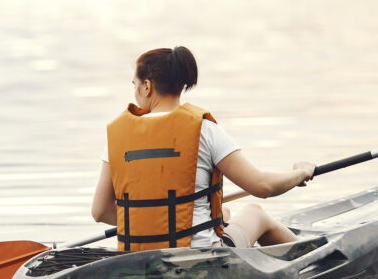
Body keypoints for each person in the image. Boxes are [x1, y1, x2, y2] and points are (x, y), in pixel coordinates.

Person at [91, 46, 315, 250]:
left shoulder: (117, 136)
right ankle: (317, 257)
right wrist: (300, 173)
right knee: (254, 212)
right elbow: (263, 186)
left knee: (224, 214)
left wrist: (150, 222)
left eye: (135, 85)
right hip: (201, 259)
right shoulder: (203, 130)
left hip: (138, 259)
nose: (135, 91)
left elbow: (100, 211)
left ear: (147, 86)